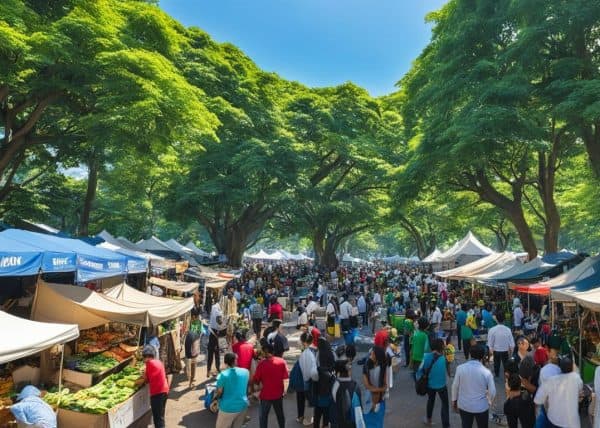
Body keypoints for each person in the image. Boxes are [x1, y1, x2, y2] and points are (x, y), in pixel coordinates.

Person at [451, 345, 496, 428]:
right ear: (483, 356)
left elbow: (455, 386)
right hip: (481, 407)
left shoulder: (460, 368)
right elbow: (492, 391)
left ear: (470, 354)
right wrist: (489, 401)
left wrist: (454, 401)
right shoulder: (486, 372)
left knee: (466, 425)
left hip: (464, 405)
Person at [533, 357, 583, 428]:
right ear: (572, 367)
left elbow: (538, 400)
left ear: (560, 368)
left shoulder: (551, 381)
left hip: (554, 421)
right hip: (572, 423)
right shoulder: (576, 378)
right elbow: (580, 388)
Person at [252, 342, 288, 428]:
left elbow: (256, 380)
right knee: (280, 414)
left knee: (263, 417)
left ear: (265, 352)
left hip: (265, 395)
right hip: (278, 394)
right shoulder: (282, 362)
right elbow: (285, 378)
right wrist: (284, 391)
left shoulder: (261, 364)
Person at [417, 338, 449, 428]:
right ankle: (446, 425)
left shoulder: (426, 356)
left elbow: (419, 370)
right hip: (442, 385)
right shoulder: (444, 357)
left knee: (431, 401)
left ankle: (429, 420)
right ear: (442, 347)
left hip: (430, 385)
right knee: (445, 404)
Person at [214, 353, 250, 428]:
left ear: (225, 362)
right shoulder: (246, 372)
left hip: (227, 407)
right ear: (235, 361)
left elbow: (219, 392)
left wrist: (215, 400)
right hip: (243, 405)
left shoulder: (223, 375)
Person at [140, 345, 169, 428]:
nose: (144, 360)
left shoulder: (149, 363)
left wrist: (136, 382)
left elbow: (146, 379)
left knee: (157, 418)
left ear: (146, 356)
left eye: (143, 358)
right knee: (161, 416)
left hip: (157, 393)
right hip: (164, 391)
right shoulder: (158, 362)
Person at [332, 359, 363, 428]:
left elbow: (334, 402)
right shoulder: (355, 386)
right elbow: (359, 407)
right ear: (349, 372)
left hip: (339, 422)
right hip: (353, 423)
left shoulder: (335, 385)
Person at [362, 346, 388, 428]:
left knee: (376, 423)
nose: (371, 355)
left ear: (377, 356)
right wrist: (380, 389)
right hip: (372, 400)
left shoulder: (382, 367)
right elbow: (367, 386)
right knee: (375, 423)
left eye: (373, 353)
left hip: (375, 401)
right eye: (371, 353)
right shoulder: (367, 365)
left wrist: (378, 390)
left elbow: (384, 384)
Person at [297, 332, 318, 426]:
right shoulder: (314, 350)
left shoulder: (306, 353)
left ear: (305, 342)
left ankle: (308, 419)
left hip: (308, 379)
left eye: (301, 341)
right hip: (312, 379)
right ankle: (306, 417)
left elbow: (307, 370)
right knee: (309, 398)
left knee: (308, 399)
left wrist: (308, 379)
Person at [314, 337, 336, 428]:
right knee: (327, 409)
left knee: (318, 410)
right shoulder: (331, 353)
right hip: (329, 383)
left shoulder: (318, 354)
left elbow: (315, 367)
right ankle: (325, 424)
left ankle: (316, 425)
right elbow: (334, 366)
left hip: (319, 384)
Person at [487, 312, 514, 378]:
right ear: (504, 319)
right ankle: (506, 376)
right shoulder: (508, 329)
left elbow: (490, 343)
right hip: (506, 350)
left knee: (496, 363)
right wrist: (511, 353)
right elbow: (512, 344)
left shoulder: (492, 330)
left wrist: (491, 352)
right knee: (506, 364)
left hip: (496, 350)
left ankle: (497, 374)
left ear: (496, 319)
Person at [208, 301, 227, 377]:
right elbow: (220, 322)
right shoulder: (217, 314)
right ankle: (210, 370)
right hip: (214, 338)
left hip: (215, 339)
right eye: (219, 319)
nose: (220, 320)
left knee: (216, 355)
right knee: (212, 355)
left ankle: (216, 368)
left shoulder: (215, 321)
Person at [184, 314, 201, 387]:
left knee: (189, 368)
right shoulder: (196, 335)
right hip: (195, 354)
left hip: (191, 355)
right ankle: (191, 381)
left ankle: (190, 382)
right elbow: (197, 345)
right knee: (193, 368)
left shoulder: (188, 336)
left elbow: (187, 347)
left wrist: (188, 356)